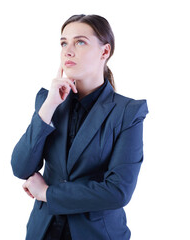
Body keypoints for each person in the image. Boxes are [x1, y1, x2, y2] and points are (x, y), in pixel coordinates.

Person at [11, 14, 148, 240]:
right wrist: (49, 107)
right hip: (43, 231)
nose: (68, 50)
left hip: (96, 234)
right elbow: (21, 167)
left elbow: (118, 192)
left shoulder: (128, 112)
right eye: (64, 43)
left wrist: (47, 193)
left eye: (80, 42)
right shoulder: (49, 101)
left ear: (105, 51)